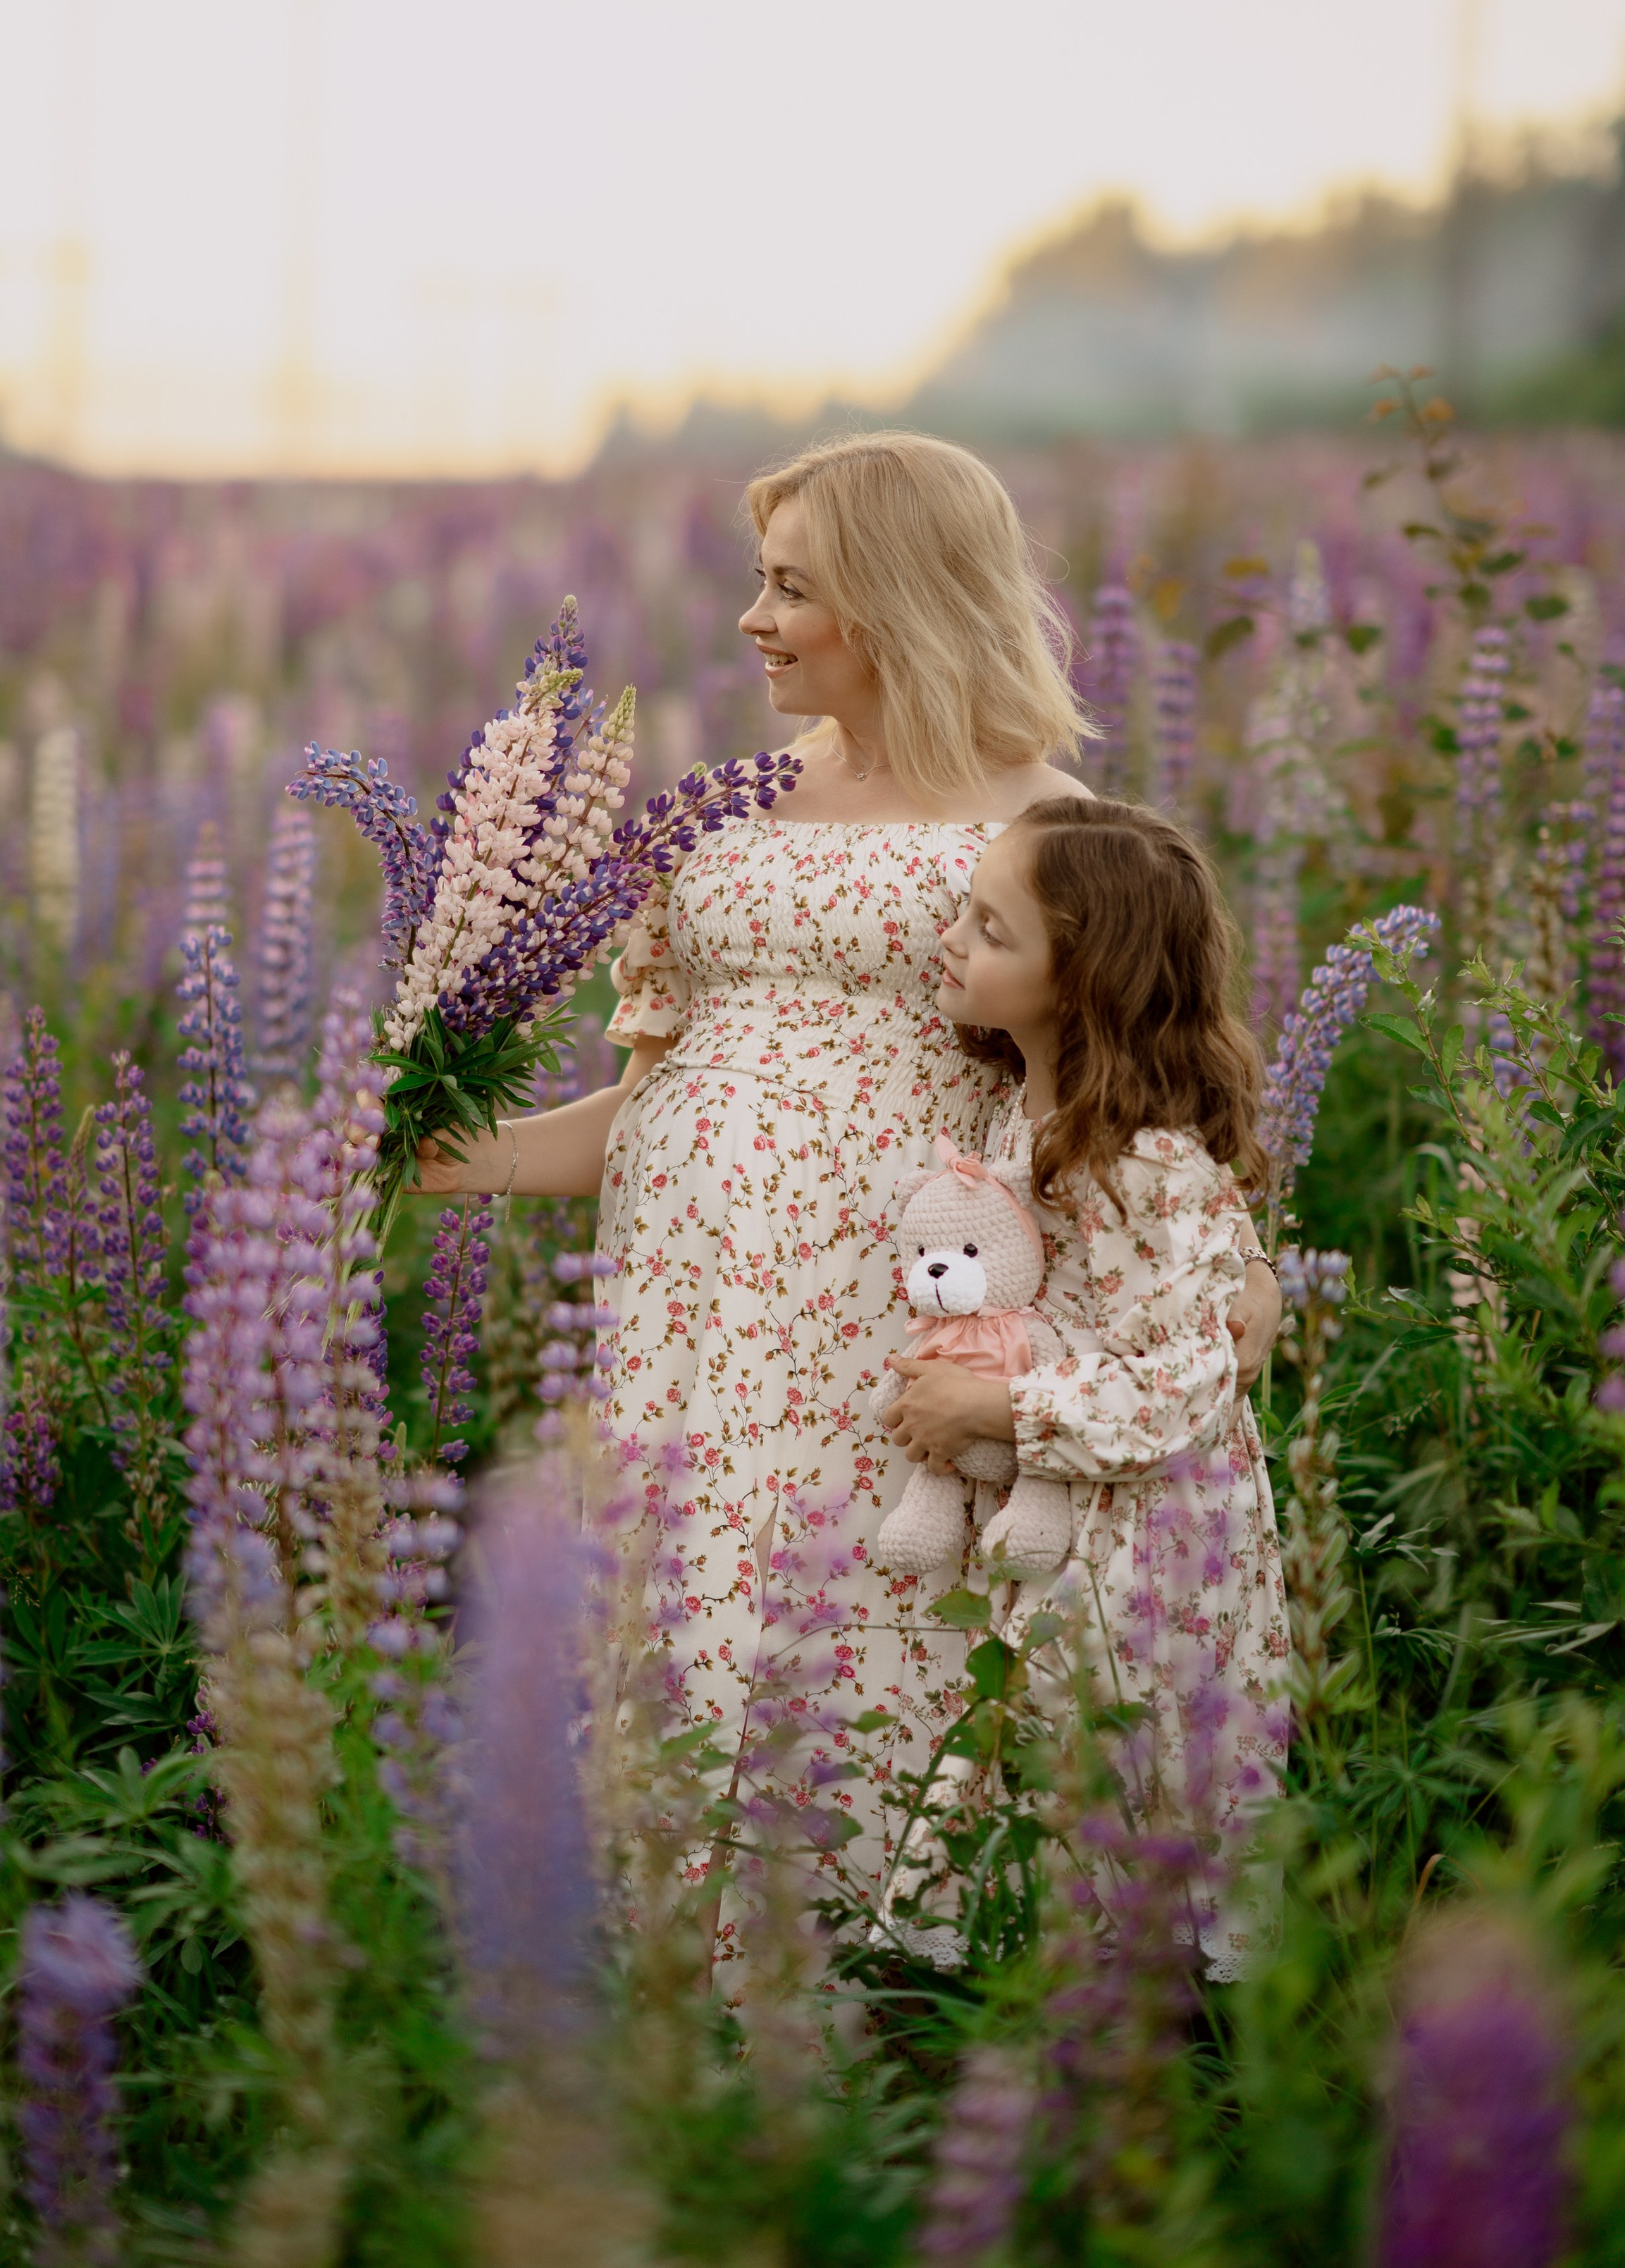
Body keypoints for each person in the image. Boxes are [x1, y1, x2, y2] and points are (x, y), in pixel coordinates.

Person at [408, 431, 1282, 1963]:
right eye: (759, 580)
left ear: (895, 598)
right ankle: (697, 1987)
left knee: (875, 1624)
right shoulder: (724, 806)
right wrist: (450, 1153)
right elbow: (660, 1093)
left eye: (790, 586)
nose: (752, 618)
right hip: (696, 1317)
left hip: (891, 1320)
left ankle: (890, 1984)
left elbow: (1124, 1079)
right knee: (694, 1625)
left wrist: (1221, 1270)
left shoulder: (1041, 823)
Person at [882, 796, 1291, 1976]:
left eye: (993, 931)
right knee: (1053, 1762)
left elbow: (1195, 1373)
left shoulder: (1148, 1156)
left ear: (1083, 984)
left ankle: (1164, 2034)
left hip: (1163, 1543)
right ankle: (1056, 1999)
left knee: (1136, 1769)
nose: (953, 941)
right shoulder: (1030, 1108)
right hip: (1081, 1518)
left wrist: (1004, 1410)